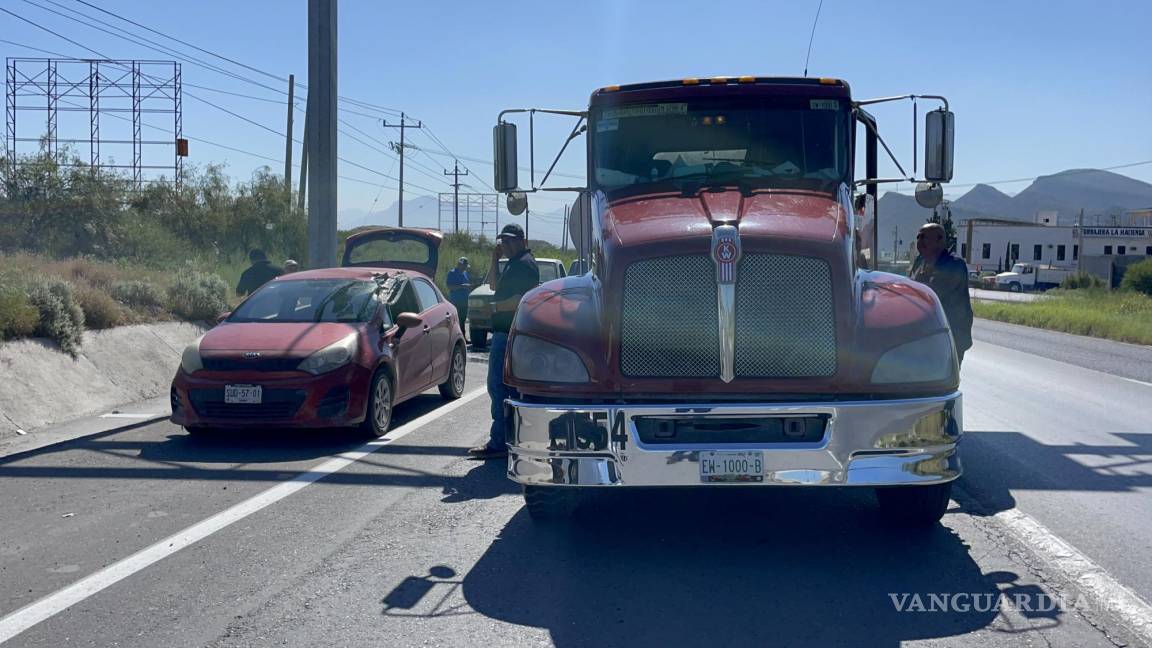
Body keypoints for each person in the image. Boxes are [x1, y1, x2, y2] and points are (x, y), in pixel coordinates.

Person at [469, 224, 539, 459]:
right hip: (505, 331)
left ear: (521, 240)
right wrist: (494, 259)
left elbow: (520, 299)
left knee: (498, 386)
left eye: (509, 242)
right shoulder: (512, 263)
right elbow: (493, 286)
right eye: (503, 242)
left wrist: (495, 307)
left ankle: (500, 441)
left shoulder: (524, 264)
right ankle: (509, 439)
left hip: (509, 332)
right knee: (504, 387)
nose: (505, 246)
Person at [910, 223, 974, 366]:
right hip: (927, 335)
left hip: (951, 334)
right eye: (918, 237)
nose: (920, 241)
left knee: (944, 380)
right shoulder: (920, 261)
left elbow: (932, 293)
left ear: (940, 240)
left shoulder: (954, 264)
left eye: (924, 237)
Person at [445, 257, 472, 339]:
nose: (465, 268)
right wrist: (462, 286)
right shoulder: (452, 273)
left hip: (464, 301)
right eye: (464, 266)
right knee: (455, 321)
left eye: (466, 266)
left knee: (463, 320)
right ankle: (453, 338)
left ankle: (463, 338)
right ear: (460, 264)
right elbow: (450, 287)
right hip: (455, 301)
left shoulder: (465, 273)